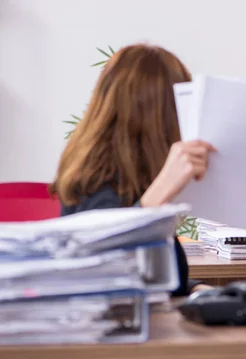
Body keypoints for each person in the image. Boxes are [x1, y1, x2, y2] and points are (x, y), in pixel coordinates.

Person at [50, 44, 214, 295]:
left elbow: (158, 279)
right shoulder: (95, 180)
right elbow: (103, 274)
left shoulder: (135, 178)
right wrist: (157, 196)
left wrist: (195, 289)